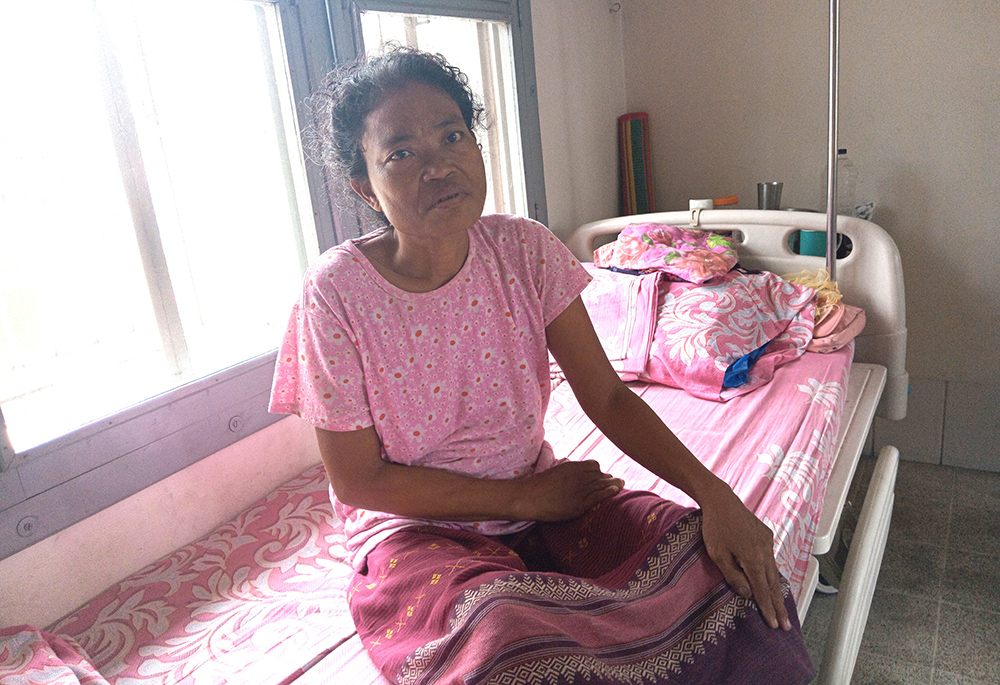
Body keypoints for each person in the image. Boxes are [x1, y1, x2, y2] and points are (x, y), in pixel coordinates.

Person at [270, 46, 814, 685]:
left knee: (714, 564)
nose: (440, 164)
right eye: (402, 153)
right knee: (501, 635)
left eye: (452, 135)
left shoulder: (523, 251)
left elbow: (607, 398)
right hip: (417, 537)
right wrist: (527, 494)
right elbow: (359, 481)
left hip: (545, 510)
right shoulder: (336, 294)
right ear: (365, 185)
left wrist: (717, 497)